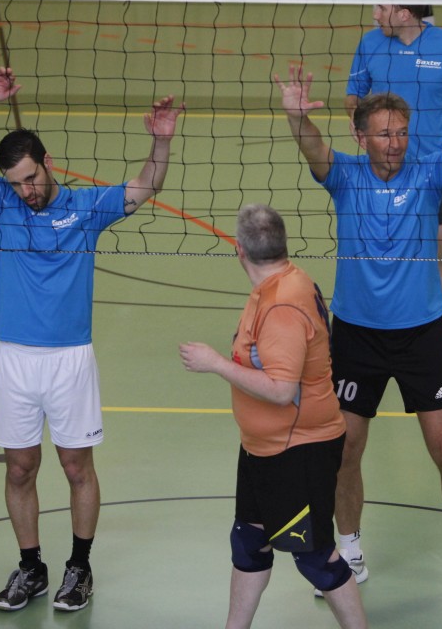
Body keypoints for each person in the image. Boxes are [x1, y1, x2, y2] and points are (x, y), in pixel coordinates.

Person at [275, 61, 442, 606]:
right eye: (385, 134)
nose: (396, 143)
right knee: (346, 451)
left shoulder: (428, 175)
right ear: (361, 136)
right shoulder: (345, 176)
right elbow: (313, 148)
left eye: (402, 133)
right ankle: (349, 551)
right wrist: (296, 117)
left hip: (419, 336)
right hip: (356, 336)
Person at [0, 60, 181, 612]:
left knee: (77, 468)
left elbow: (145, 186)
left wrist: (161, 142)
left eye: (30, 178)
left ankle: (80, 567)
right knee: (21, 468)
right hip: (14, 357)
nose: (25, 191)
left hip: (70, 359)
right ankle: (31, 568)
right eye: (16, 183)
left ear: (48, 163)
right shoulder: (1, 203)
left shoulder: (86, 208)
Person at [178, 204, 367, 629]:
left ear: (239, 250)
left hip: (298, 451)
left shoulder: (282, 305)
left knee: (316, 556)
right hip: (264, 449)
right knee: (249, 541)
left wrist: (215, 363)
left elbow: (282, 390)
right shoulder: (281, 283)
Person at [346, 0, 442, 359]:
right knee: (381, 249)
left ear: (404, 12)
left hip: (436, 169)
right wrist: (359, 122)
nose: (375, 14)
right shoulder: (369, 44)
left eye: (382, 7)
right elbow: (353, 95)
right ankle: (377, 323)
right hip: (384, 168)